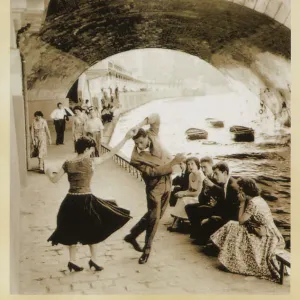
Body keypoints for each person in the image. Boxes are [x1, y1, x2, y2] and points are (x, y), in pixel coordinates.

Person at [46, 131, 135, 272]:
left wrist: (48, 171)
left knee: (71, 231)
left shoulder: (68, 163)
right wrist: (126, 137)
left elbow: (54, 179)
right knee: (94, 230)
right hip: (86, 200)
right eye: (92, 149)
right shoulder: (91, 162)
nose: (93, 151)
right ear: (87, 149)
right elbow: (112, 153)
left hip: (70, 201)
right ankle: (94, 260)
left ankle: (72, 261)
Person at [123, 113, 185, 264]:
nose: (139, 145)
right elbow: (152, 173)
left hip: (167, 183)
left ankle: (132, 235)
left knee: (155, 215)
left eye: (141, 142)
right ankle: (147, 250)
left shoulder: (152, 134)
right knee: (154, 218)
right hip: (154, 188)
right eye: (136, 143)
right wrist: (173, 163)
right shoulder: (135, 159)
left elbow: (156, 116)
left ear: (145, 137)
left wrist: (140, 123)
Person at [211, 178, 286, 283]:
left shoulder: (252, 203)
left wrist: (242, 203)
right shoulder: (258, 199)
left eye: (239, 191)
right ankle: (228, 257)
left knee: (234, 227)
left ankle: (231, 259)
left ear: (243, 191)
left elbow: (241, 220)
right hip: (267, 232)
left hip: (266, 237)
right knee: (233, 226)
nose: (238, 193)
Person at [197, 161, 239, 246]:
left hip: (234, 219)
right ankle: (211, 241)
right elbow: (225, 204)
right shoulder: (226, 183)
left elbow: (233, 210)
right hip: (230, 215)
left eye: (216, 174)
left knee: (211, 220)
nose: (215, 177)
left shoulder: (233, 187)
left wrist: (216, 217)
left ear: (225, 173)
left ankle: (215, 243)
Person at [185, 156, 224, 241]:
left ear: (211, 166)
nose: (203, 169)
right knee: (189, 207)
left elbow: (222, 193)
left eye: (205, 167)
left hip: (217, 206)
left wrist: (212, 187)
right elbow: (201, 199)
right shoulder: (206, 179)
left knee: (201, 209)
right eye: (201, 167)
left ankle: (202, 236)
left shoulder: (217, 177)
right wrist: (205, 192)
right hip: (208, 203)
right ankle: (197, 231)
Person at [168, 157, 204, 231]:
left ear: (197, 165)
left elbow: (198, 193)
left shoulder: (200, 176)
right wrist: (182, 192)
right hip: (193, 195)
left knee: (184, 199)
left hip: (199, 197)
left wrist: (184, 194)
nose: (190, 166)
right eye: (188, 164)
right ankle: (177, 222)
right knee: (180, 197)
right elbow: (189, 189)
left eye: (192, 164)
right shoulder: (190, 175)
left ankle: (177, 223)